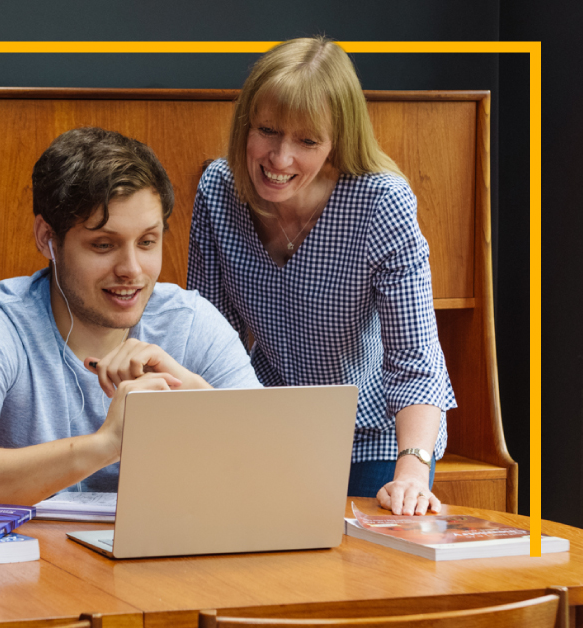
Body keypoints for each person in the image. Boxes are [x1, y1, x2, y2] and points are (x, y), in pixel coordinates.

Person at [0, 127, 260, 506]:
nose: (131, 270)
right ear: (48, 238)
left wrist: (200, 402)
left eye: (147, 242)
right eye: (103, 245)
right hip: (32, 561)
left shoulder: (191, 323)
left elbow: (279, 469)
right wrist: (107, 444)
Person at [187, 37, 455, 516]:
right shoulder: (218, 192)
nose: (280, 159)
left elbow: (416, 358)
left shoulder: (380, 203)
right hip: (264, 429)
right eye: (267, 130)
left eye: (307, 141)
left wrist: (412, 470)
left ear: (337, 142)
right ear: (246, 124)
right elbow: (208, 338)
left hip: (376, 438)